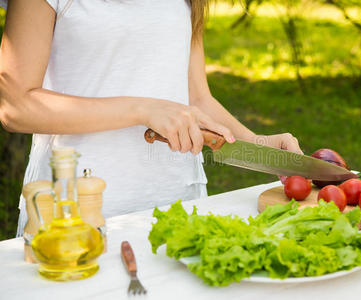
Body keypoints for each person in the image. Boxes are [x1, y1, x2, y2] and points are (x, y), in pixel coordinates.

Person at [0, 0, 302, 236]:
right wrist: (142, 109)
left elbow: (196, 98)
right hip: (74, 213)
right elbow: (16, 105)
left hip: (178, 204)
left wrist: (258, 146)